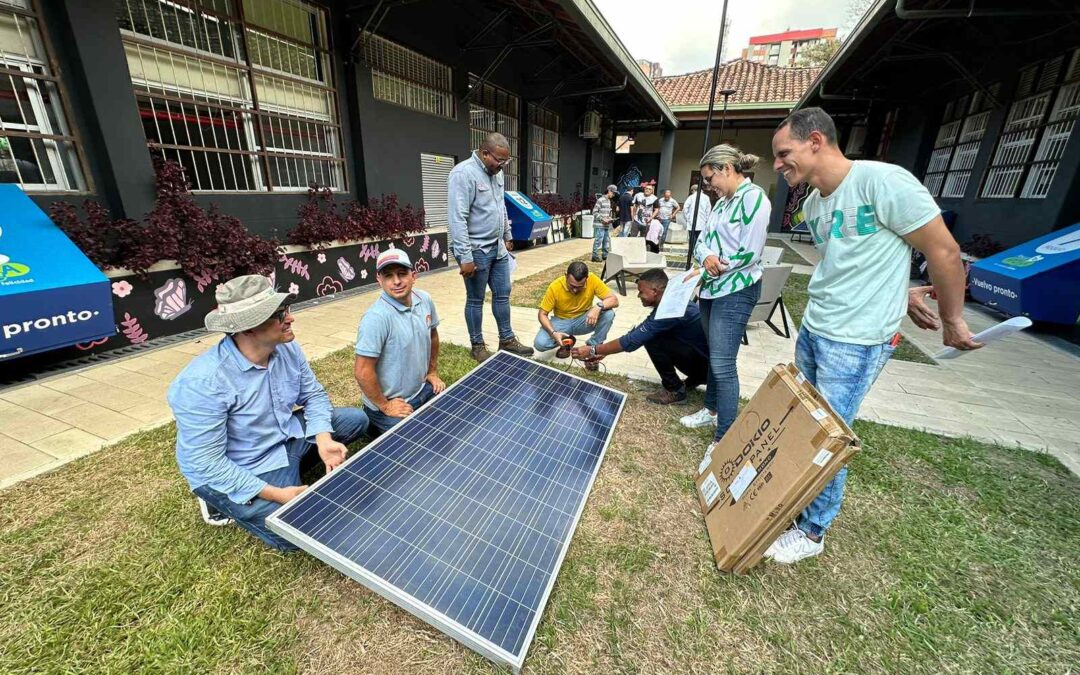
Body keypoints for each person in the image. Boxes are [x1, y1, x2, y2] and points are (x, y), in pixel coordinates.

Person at [764, 106, 979, 565]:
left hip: (857, 338)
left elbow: (943, 249)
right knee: (805, 425)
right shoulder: (813, 204)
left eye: (784, 154)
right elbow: (855, 263)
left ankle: (813, 530)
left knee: (829, 434)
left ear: (816, 140)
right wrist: (902, 294)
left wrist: (953, 317)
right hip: (816, 326)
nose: (779, 165)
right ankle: (796, 504)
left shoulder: (884, 182)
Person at [167, 275, 369, 551]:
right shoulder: (202, 384)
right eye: (278, 315)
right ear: (248, 328)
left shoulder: (286, 347)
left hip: (284, 435)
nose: (290, 319)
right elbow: (205, 462)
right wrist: (277, 494)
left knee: (355, 420)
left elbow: (313, 395)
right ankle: (218, 498)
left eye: (286, 310)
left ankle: (293, 466)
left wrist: (323, 438)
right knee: (300, 534)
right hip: (246, 462)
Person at [687, 145, 770, 434]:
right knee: (714, 354)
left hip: (736, 290)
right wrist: (706, 257)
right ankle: (710, 410)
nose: (709, 186)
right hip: (711, 289)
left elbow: (752, 252)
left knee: (723, 363)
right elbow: (701, 242)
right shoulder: (721, 203)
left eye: (710, 179)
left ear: (727, 169)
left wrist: (716, 262)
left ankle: (724, 435)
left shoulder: (754, 199)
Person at [448, 132, 534, 362]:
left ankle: (506, 340)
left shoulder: (497, 173)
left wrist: (507, 233)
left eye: (506, 161)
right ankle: (477, 345)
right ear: (485, 153)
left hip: (498, 249)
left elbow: (501, 205)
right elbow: (457, 218)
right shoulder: (463, 174)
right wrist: (465, 256)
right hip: (476, 250)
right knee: (475, 299)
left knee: (503, 294)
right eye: (499, 160)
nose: (502, 165)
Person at [571, 267, 711, 406]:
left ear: (654, 291)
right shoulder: (672, 300)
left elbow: (632, 341)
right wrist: (604, 350)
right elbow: (640, 331)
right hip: (705, 363)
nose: (638, 296)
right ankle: (694, 379)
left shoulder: (670, 311)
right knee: (652, 334)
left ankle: (675, 390)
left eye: (641, 292)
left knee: (652, 339)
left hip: (709, 370)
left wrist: (592, 350)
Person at [354, 249, 446, 435]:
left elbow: (433, 335)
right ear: (379, 280)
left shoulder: (424, 299)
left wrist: (432, 371)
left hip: (421, 389)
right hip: (391, 403)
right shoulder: (376, 318)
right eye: (388, 276)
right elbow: (362, 371)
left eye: (402, 274)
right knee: (416, 444)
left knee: (450, 418)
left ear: (414, 275)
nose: (396, 281)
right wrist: (385, 406)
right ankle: (376, 422)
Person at [534, 260, 619, 371]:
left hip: (583, 320)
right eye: (572, 285)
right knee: (540, 344)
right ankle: (567, 340)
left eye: (579, 287)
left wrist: (598, 306)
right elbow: (542, 314)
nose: (575, 290)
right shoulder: (555, 286)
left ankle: (592, 350)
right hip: (561, 321)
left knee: (608, 314)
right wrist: (553, 333)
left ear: (586, 279)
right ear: (566, 276)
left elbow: (614, 300)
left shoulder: (592, 280)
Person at [591, 184, 618, 262]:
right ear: (609, 191)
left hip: (606, 225)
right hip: (599, 225)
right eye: (613, 193)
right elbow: (594, 212)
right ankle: (595, 256)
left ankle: (605, 255)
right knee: (598, 240)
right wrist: (602, 219)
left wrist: (610, 218)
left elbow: (606, 213)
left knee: (606, 240)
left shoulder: (609, 201)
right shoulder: (600, 200)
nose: (614, 195)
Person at [683, 184, 712, 253]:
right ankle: (698, 252)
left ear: (693, 190)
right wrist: (707, 220)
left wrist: (687, 218)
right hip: (702, 222)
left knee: (692, 239)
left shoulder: (691, 197)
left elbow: (685, 208)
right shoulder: (706, 197)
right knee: (700, 239)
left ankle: (692, 252)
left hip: (691, 222)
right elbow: (708, 210)